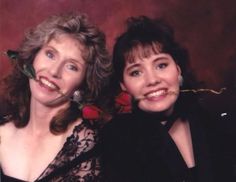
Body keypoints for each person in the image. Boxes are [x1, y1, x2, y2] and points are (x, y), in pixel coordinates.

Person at [100, 16, 236, 182]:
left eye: (161, 65)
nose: (152, 80)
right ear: (123, 85)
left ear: (177, 69)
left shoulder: (214, 121)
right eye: (136, 72)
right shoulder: (115, 139)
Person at [0, 12, 111, 181]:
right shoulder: (2, 130)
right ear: (33, 57)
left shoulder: (86, 145)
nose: (53, 71)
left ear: (83, 83)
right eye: (50, 54)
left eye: (72, 67)